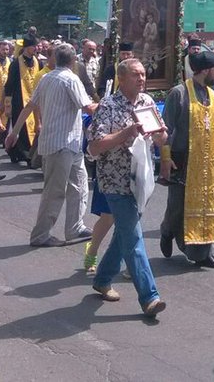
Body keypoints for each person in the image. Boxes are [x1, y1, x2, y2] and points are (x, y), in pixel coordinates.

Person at [86, 58, 169, 318]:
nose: (141, 79)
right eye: (136, 75)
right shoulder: (108, 106)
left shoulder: (147, 102)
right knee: (133, 237)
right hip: (114, 181)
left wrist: (160, 135)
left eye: (143, 74)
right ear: (122, 78)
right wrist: (127, 132)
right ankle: (150, 297)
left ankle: (102, 279)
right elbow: (96, 145)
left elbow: (161, 138)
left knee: (124, 233)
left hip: (140, 179)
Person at [6, 43, 95, 246]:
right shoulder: (70, 79)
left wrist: (15, 132)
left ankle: (75, 227)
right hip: (61, 143)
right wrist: (108, 104)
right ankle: (40, 235)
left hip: (69, 143)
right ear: (73, 61)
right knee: (55, 191)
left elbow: (30, 106)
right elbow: (88, 107)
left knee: (80, 185)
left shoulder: (47, 77)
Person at [159, 50, 214, 267]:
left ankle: (204, 253)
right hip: (182, 160)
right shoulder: (178, 94)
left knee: (208, 205)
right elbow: (166, 129)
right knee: (178, 207)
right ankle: (167, 230)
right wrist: (165, 158)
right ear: (206, 70)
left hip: (208, 160)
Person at [4, 38, 45, 166]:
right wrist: (8, 104)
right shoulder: (16, 63)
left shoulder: (38, 62)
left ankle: (30, 153)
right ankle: (19, 153)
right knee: (20, 127)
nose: (37, 49)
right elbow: (9, 84)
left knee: (35, 126)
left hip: (35, 101)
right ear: (27, 47)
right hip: (19, 100)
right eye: (34, 46)